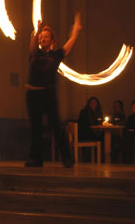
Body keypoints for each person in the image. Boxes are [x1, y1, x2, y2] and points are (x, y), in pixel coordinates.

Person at [24, 13, 82, 168]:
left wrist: (75, 29)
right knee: (35, 128)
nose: (42, 39)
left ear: (52, 41)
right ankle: (36, 159)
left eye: (46, 37)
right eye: (41, 37)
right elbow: (32, 43)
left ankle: (67, 159)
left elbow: (71, 42)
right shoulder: (34, 53)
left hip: (48, 95)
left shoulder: (56, 55)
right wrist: (36, 30)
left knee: (56, 127)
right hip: (32, 95)